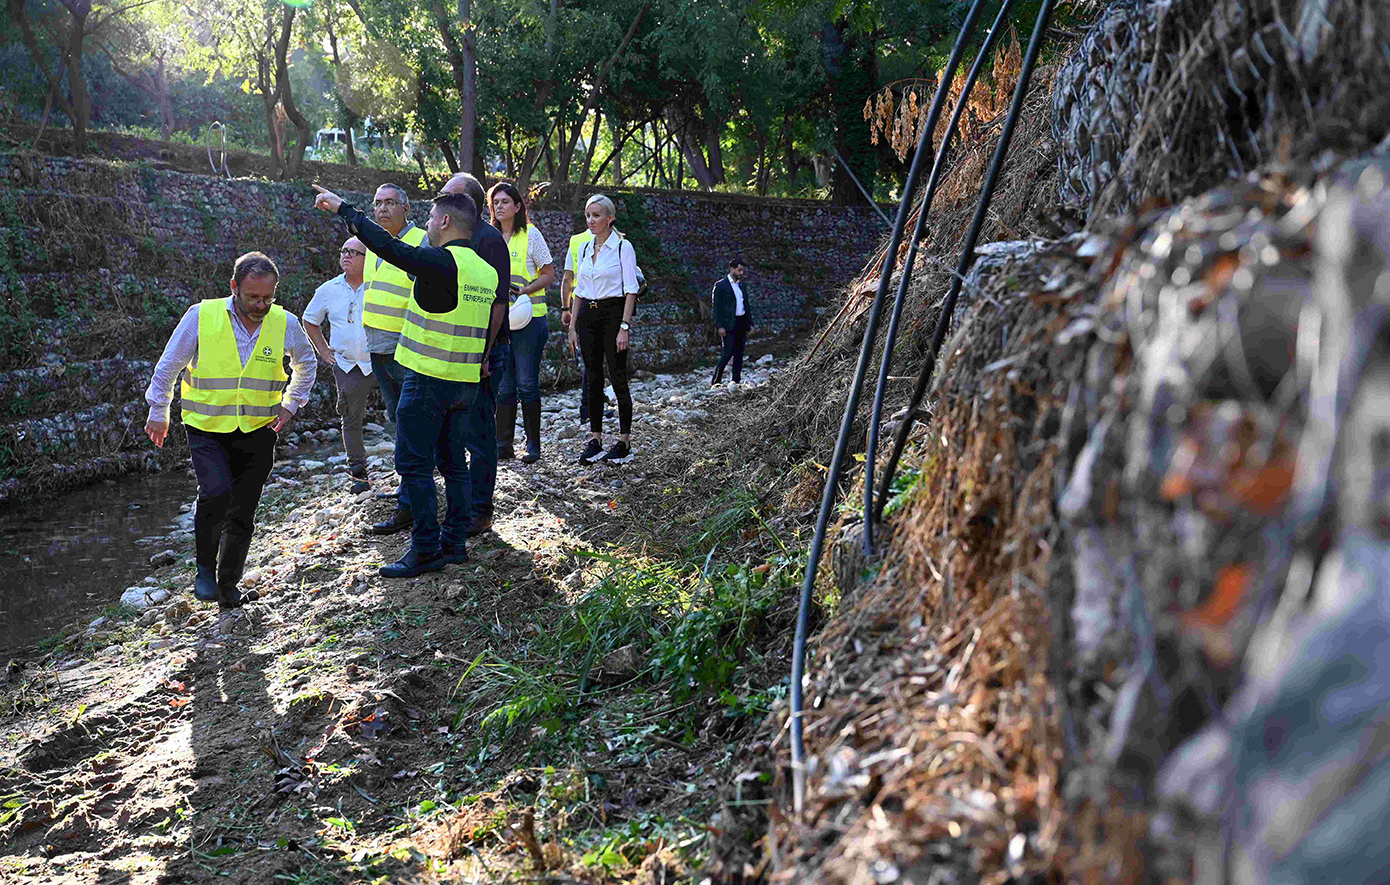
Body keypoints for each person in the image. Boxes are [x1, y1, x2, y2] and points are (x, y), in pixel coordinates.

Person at [314, 185, 506, 577]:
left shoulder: (440, 262)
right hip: (464, 382)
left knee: (414, 465)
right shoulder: (484, 272)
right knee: (454, 465)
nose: (430, 225)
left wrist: (344, 208)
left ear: (446, 221)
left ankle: (424, 548)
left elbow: (390, 248)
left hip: (427, 380)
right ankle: (453, 545)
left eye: (433, 218)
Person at [144, 252, 318, 608]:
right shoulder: (201, 316)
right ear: (234, 287)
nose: (260, 304)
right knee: (215, 493)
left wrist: (291, 403)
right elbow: (168, 367)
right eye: (253, 297)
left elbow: (307, 361)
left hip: (258, 430)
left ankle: (229, 586)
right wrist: (158, 410)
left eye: (268, 298)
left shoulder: (284, 322)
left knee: (243, 512)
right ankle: (204, 571)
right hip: (206, 428)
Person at [441, 172, 513, 536]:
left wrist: (484, 354)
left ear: (467, 201)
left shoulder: (489, 241)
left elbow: (498, 304)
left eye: (449, 195)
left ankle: (481, 511)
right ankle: (462, 503)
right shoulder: (450, 238)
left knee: (481, 432)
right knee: (456, 431)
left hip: (484, 354)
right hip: (454, 352)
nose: (442, 201)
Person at [361, 183, 426, 537]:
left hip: (405, 344)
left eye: (389, 203)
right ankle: (410, 485)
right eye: (377, 203)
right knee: (395, 417)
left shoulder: (418, 242)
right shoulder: (373, 243)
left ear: (406, 208)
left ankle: (412, 496)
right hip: (378, 344)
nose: (382, 209)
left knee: (411, 418)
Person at [566, 194, 639, 465]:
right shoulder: (584, 248)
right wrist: (572, 327)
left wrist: (624, 327)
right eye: (588, 215)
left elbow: (631, 289)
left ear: (610, 218)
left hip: (613, 314)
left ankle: (624, 441)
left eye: (596, 215)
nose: (591, 220)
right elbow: (579, 292)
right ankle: (595, 439)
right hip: (587, 316)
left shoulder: (623, 247)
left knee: (618, 378)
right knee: (593, 377)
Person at [488, 181, 555, 464]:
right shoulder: (487, 237)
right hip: (499, 322)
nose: (500, 206)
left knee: (527, 384)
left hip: (530, 321)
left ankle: (533, 446)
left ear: (517, 207)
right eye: (496, 202)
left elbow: (549, 274)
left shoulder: (532, 235)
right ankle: (503, 445)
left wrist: (525, 290)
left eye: (505, 201)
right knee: (503, 385)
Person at [303, 237, 373, 494]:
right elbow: (310, 320)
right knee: (350, 418)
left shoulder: (379, 286)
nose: (347, 256)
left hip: (381, 360)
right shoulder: (328, 289)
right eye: (344, 251)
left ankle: (410, 468)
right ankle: (358, 474)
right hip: (346, 364)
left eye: (354, 252)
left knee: (402, 412)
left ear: (369, 259)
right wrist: (323, 350)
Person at [561, 219, 601, 426]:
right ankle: (594, 406)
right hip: (607, 304)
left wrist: (565, 308)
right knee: (602, 358)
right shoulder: (619, 239)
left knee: (588, 359)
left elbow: (568, 278)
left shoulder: (576, 240)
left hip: (582, 303)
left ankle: (587, 409)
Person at [711, 257, 753, 386]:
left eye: (742, 271)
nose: (741, 273)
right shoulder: (721, 285)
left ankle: (736, 381)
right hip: (728, 324)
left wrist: (750, 323)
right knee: (727, 353)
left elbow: (746, 305)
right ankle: (716, 381)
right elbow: (716, 308)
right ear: (732, 269)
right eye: (739, 270)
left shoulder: (742, 286)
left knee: (739, 354)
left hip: (741, 322)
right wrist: (719, 326)